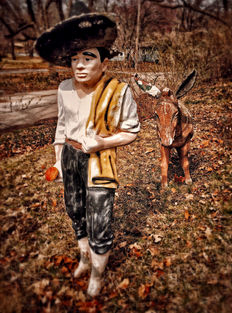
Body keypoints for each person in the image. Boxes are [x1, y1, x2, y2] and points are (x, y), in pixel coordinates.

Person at [35, 13, 140, 297]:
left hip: (99, 161)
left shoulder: (118, 92)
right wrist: (58, 159)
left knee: (99, 221)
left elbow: (132, 131)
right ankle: (84, 259)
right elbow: (61, 127)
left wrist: (101, 144)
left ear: (104, 62)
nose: (79, 65)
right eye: (74, 59)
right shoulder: (64, 88)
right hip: (69, 157)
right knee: (76, 211)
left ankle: (97, 273)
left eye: (88, 57)